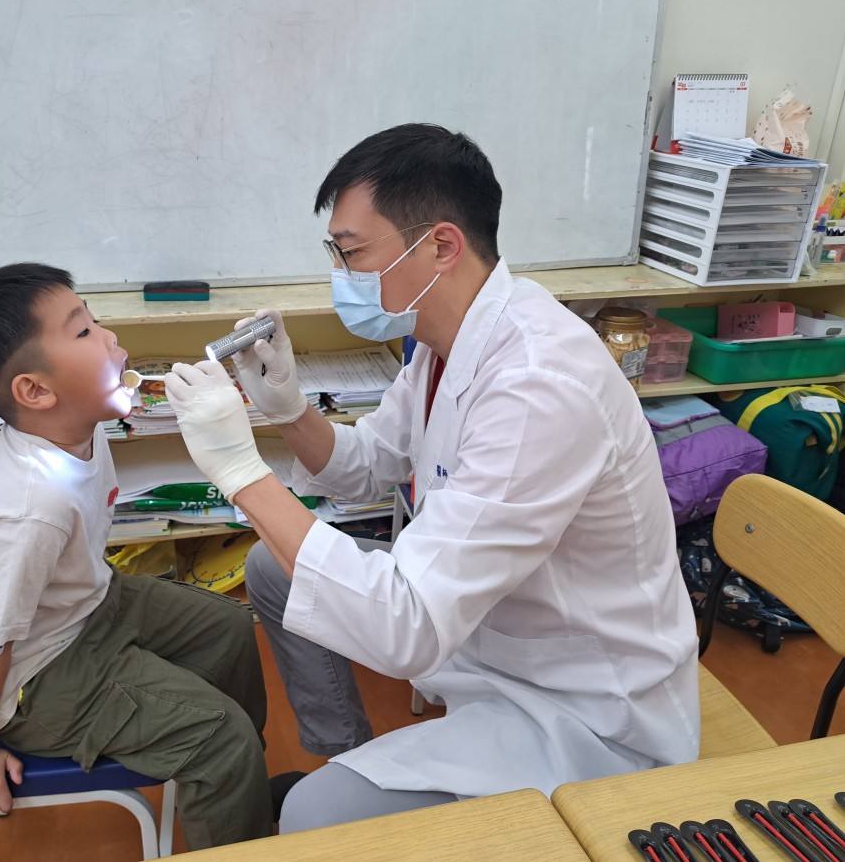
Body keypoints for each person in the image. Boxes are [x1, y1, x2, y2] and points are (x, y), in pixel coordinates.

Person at [164, 124, 700, 833]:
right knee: (272, 567)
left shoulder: (538, 382)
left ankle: (363, 803)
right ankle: (351, 755)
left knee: (312, 817)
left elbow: (408, 627)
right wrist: (288, 409)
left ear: (441, 246)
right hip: (489, 633)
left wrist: (239, 472)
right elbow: (365, 466)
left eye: (352, 252)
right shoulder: (444, 341)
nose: (341, 273)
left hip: (585, 708)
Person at [0, 263, 272, 850]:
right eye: (83, 332)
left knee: (229, 629)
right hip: (34, 677)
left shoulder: (76, 427)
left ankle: (236, 790)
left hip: (85, 608)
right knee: (221, 737)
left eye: (95, 321)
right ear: (36, 391)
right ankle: (227, 770)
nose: (109, 337)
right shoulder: (26, 513)